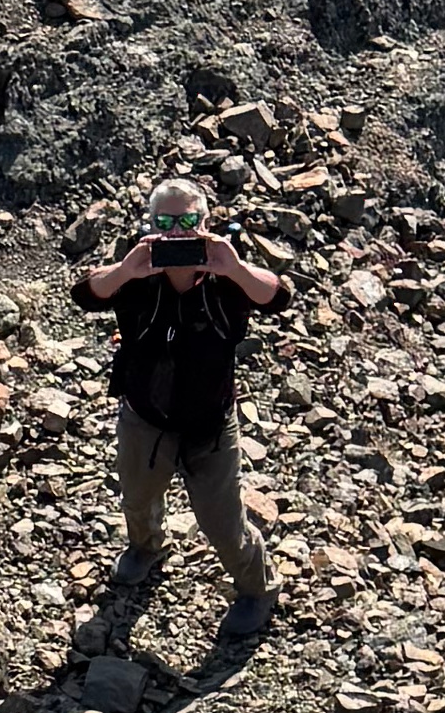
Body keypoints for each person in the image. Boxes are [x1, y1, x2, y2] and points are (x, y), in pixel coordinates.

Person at [72, 174, 291, 637]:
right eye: (165, 220)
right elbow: (86, 295)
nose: (177, 230)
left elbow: (278, 297)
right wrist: (128, 270)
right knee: (138, 497)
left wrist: (232, 268)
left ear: (206, 222)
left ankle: (257, 587)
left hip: (210, 423)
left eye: (189, 219)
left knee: (223, 522)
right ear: (149, 222)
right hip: (145, 417)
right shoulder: (136, 273)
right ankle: (146, 547)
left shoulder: (225, 278)